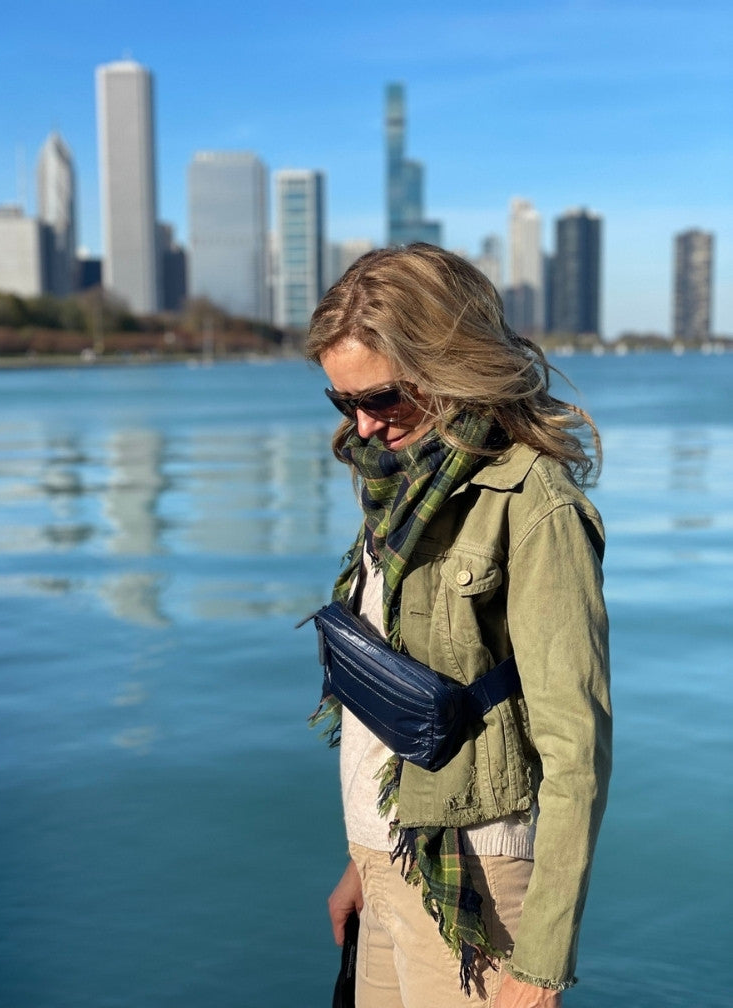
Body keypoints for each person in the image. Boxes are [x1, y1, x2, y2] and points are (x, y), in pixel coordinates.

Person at [306, 243, 611, 1008]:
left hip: (474, 886)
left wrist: (539, 967)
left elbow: (576, 750)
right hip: (391, 856)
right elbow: (397, 698)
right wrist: (364, 860)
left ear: (447, 365)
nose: (363, 426)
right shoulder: (398, 487)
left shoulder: (533, 503)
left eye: (382, 398)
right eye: (343, 403)